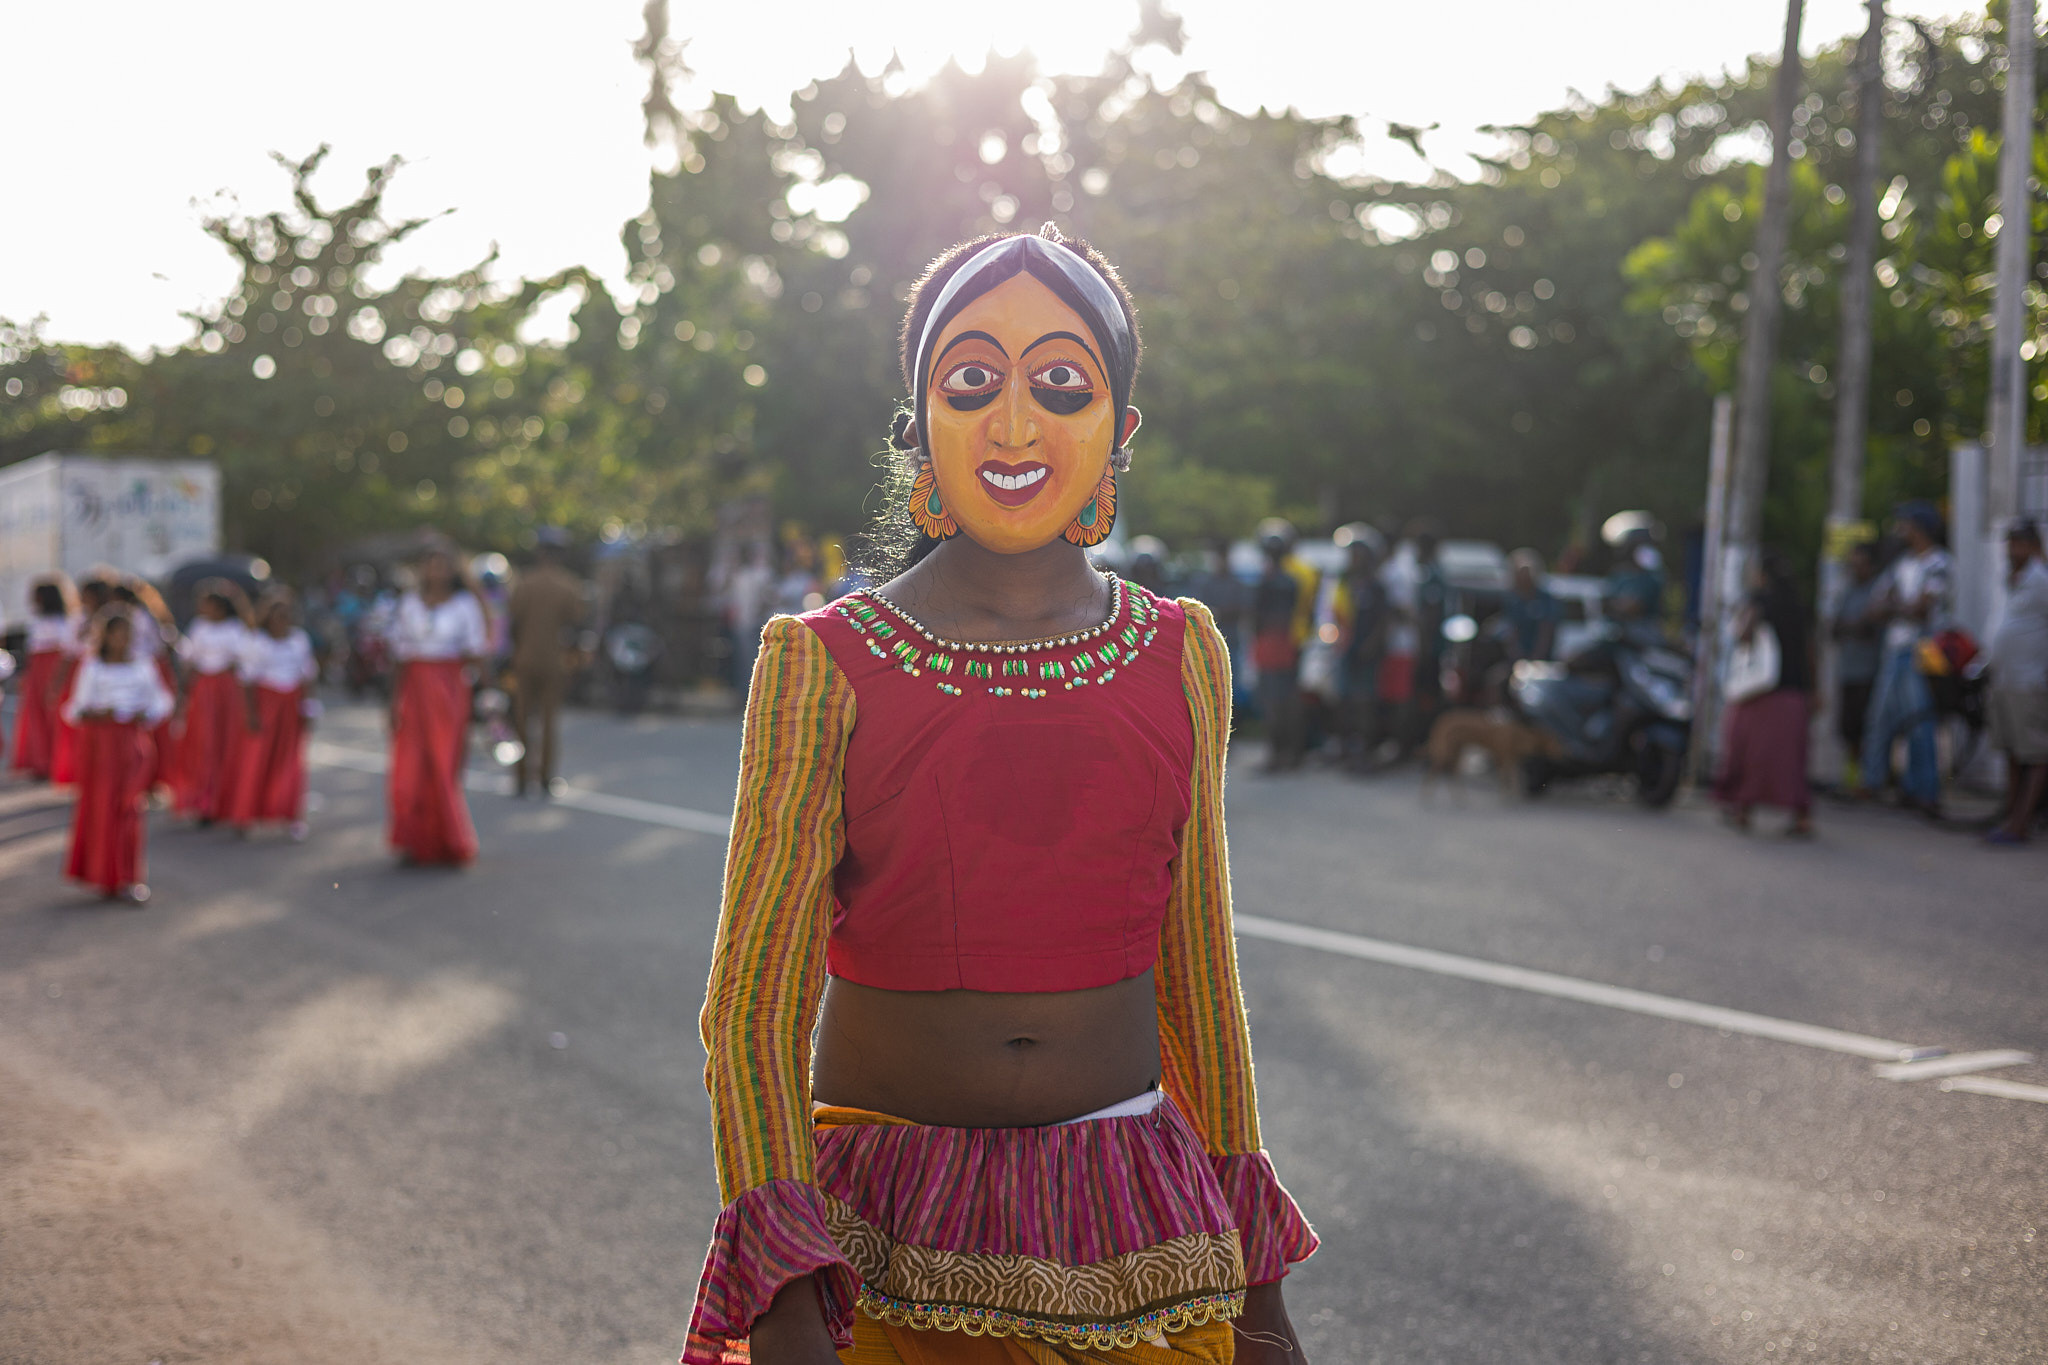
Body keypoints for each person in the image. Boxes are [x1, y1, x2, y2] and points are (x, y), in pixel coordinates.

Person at [686, 227, 1316, 1365]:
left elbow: (1199, 980)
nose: (1015, 427)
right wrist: (781, 1293)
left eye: (1061, 384)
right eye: (970, 382)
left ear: (1119, 429)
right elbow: (753, 1005)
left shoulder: (1182, 652)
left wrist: (1258, 1286)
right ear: (918, 423)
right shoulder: (822, 661)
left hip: (1139, 1223)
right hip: (886, 1236)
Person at [62, 605, 172, 902]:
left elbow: (160, 703)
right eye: (117, 633)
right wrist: (101, 713)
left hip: (132, 744)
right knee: (102, 807)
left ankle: (128, 876)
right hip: (101, 746)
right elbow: (75, 709)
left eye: (128, 633)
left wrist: (142, 713)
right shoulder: (93, 667)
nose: (123, 639)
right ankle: (103, 874)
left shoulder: (143, 666)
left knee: (129, 807)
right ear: (106, 636)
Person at [387, 547, 487, 866]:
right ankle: (413, 840)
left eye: (443, 566)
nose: (437, 572)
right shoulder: (409, 604)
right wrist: (393, 701)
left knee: (443, 763)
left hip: (448, 689)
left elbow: (476, 651)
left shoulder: (465, 605)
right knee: (410, 766)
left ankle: (451, 840)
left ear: (453, 570)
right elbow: (400, 656)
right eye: (431, 565)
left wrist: (488, 694)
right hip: (414, 688)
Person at [1858, 503, 1951, 813]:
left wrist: (1894, 606)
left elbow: (1921, 610)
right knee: (1880, 718)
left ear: (1919, 528)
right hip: (1895, 649)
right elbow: (1875, 608)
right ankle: (1874, 782)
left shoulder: (1938, 563)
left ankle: (1925, 791)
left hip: (1923, 651)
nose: (1900, 530)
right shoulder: (1902, 564)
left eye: (1905, 524)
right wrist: (1901, 606)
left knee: (1919, 721)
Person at [1715, 551, 1815, 837]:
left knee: (1749, 755)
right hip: (1793, 693)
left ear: (1762, 576)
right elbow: (1810, 651)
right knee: (1790, 759)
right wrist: (1813, 689)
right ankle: (1801, 817)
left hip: (1760, 693)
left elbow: (1743, 634)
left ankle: (1742, 811)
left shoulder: (1759, 602)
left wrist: (1743, 614)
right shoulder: (1799, 606)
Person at [228, 587, 319, 840]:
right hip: (266, 705)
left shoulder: (299, 640)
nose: (283, 621)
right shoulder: (257, 642)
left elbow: (307, 676)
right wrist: (250, 714)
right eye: (278, 616)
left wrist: (308, 706)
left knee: (291, 761)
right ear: (268, 618)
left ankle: (291, 814)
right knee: (256, 759)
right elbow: (247, 682)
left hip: (291, 706)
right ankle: (245, 815)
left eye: (287, 615)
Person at [507, 529, 588, 797]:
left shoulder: (524, 582)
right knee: (549, 721)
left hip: (525, 659)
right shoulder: (569, 585)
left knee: (522, 718)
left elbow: (513, 622)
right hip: (554, 660)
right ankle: (545, 777)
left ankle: (520, 777)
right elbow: (576, 624)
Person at [1985, 519, 2048, 844]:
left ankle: (2020, 824)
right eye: (2010, 544)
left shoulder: (2041, 580)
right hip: (2005, 679)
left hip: (2028, 681)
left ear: (2035, 547)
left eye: (2020, 544)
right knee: (2011, 749)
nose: (2013, 550)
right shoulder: (2011, 579)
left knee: (2035, 753)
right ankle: (2011, 817)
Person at [172, 580, 254, 823]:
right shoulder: (199, 627)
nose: (203, 608)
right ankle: (205, 800)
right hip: (204, 691)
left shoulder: (236, 629)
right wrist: (184, 690)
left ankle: (229, 801)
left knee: (228, 743)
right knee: (204, 743)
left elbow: (244, 661)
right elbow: (190, 661)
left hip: (228, 691)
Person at [1249, 519, 1312, 772]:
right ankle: (1291, 753)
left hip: (1271, 643)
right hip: (1287, 642)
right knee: (1287, 699)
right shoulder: (1292, 579)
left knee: (1273, 702)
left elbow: (1257, 616)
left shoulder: (1268, 579)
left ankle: (1278, 754)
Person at [10, 575, 78, 780]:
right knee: (36, 717)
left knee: (55, 718)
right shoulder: (37, 621)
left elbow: (67, 652)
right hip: (37, 673)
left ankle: (58, 763)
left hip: (55, 671)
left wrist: (57, 680)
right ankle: (41, 761)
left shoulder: (66, 622)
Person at [1332, 524, 1388, 769]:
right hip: (1347, 649)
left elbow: (1383, 620)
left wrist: (1371, 645)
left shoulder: (1376, 586)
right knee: (1344, 700)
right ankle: (1345, 747)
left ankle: (1366, 749)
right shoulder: (1346, 583)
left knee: (1364, 701)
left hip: (1367, 653)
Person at [1829, 541, 1884, 787]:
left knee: (1868, 727)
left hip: (1871, 670)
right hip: (1848, 670)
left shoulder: (1878, 589)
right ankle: (1852, 779)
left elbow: (1868, 628)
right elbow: (1834, 628)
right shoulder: (1847, 591)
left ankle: (1869, 779)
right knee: (1848, 728)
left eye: (1860, 564)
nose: (1855, 569)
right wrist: (1854, 626)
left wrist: (1851, 626)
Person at [1500, 548, 1561, 662]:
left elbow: (1546, 631)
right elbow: (1511, 631)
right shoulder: (1512, 600)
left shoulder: (1546, 600)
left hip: (1542, 660)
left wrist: (1536, 657)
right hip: (1517, 659)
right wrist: (1517, 656)